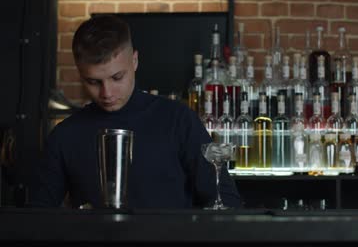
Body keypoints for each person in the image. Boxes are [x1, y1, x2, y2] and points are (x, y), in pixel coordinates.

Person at [30, 14, 241, 209]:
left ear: (135, 61)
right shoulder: (65, 134)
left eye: (117, 77)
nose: (107, 93)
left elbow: (225, 200)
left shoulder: (178, 119)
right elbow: (38, 217)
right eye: (93, 82)